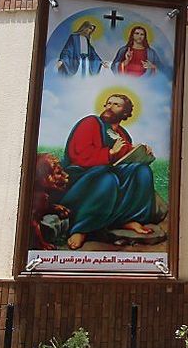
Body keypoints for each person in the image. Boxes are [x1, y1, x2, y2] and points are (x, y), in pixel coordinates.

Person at [59, 94, 162, 249]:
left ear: (126, 113)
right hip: (80, 177)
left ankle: (128, 219)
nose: (109, 107)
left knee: (142, 171)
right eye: (108, 103)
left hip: (107, 172)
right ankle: (81, 228)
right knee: (108, 179)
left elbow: (125, 158)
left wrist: (140, 152)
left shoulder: (122, 134)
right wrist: (110, 153)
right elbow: (79, 154)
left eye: (116, 105)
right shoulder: (90, 123)